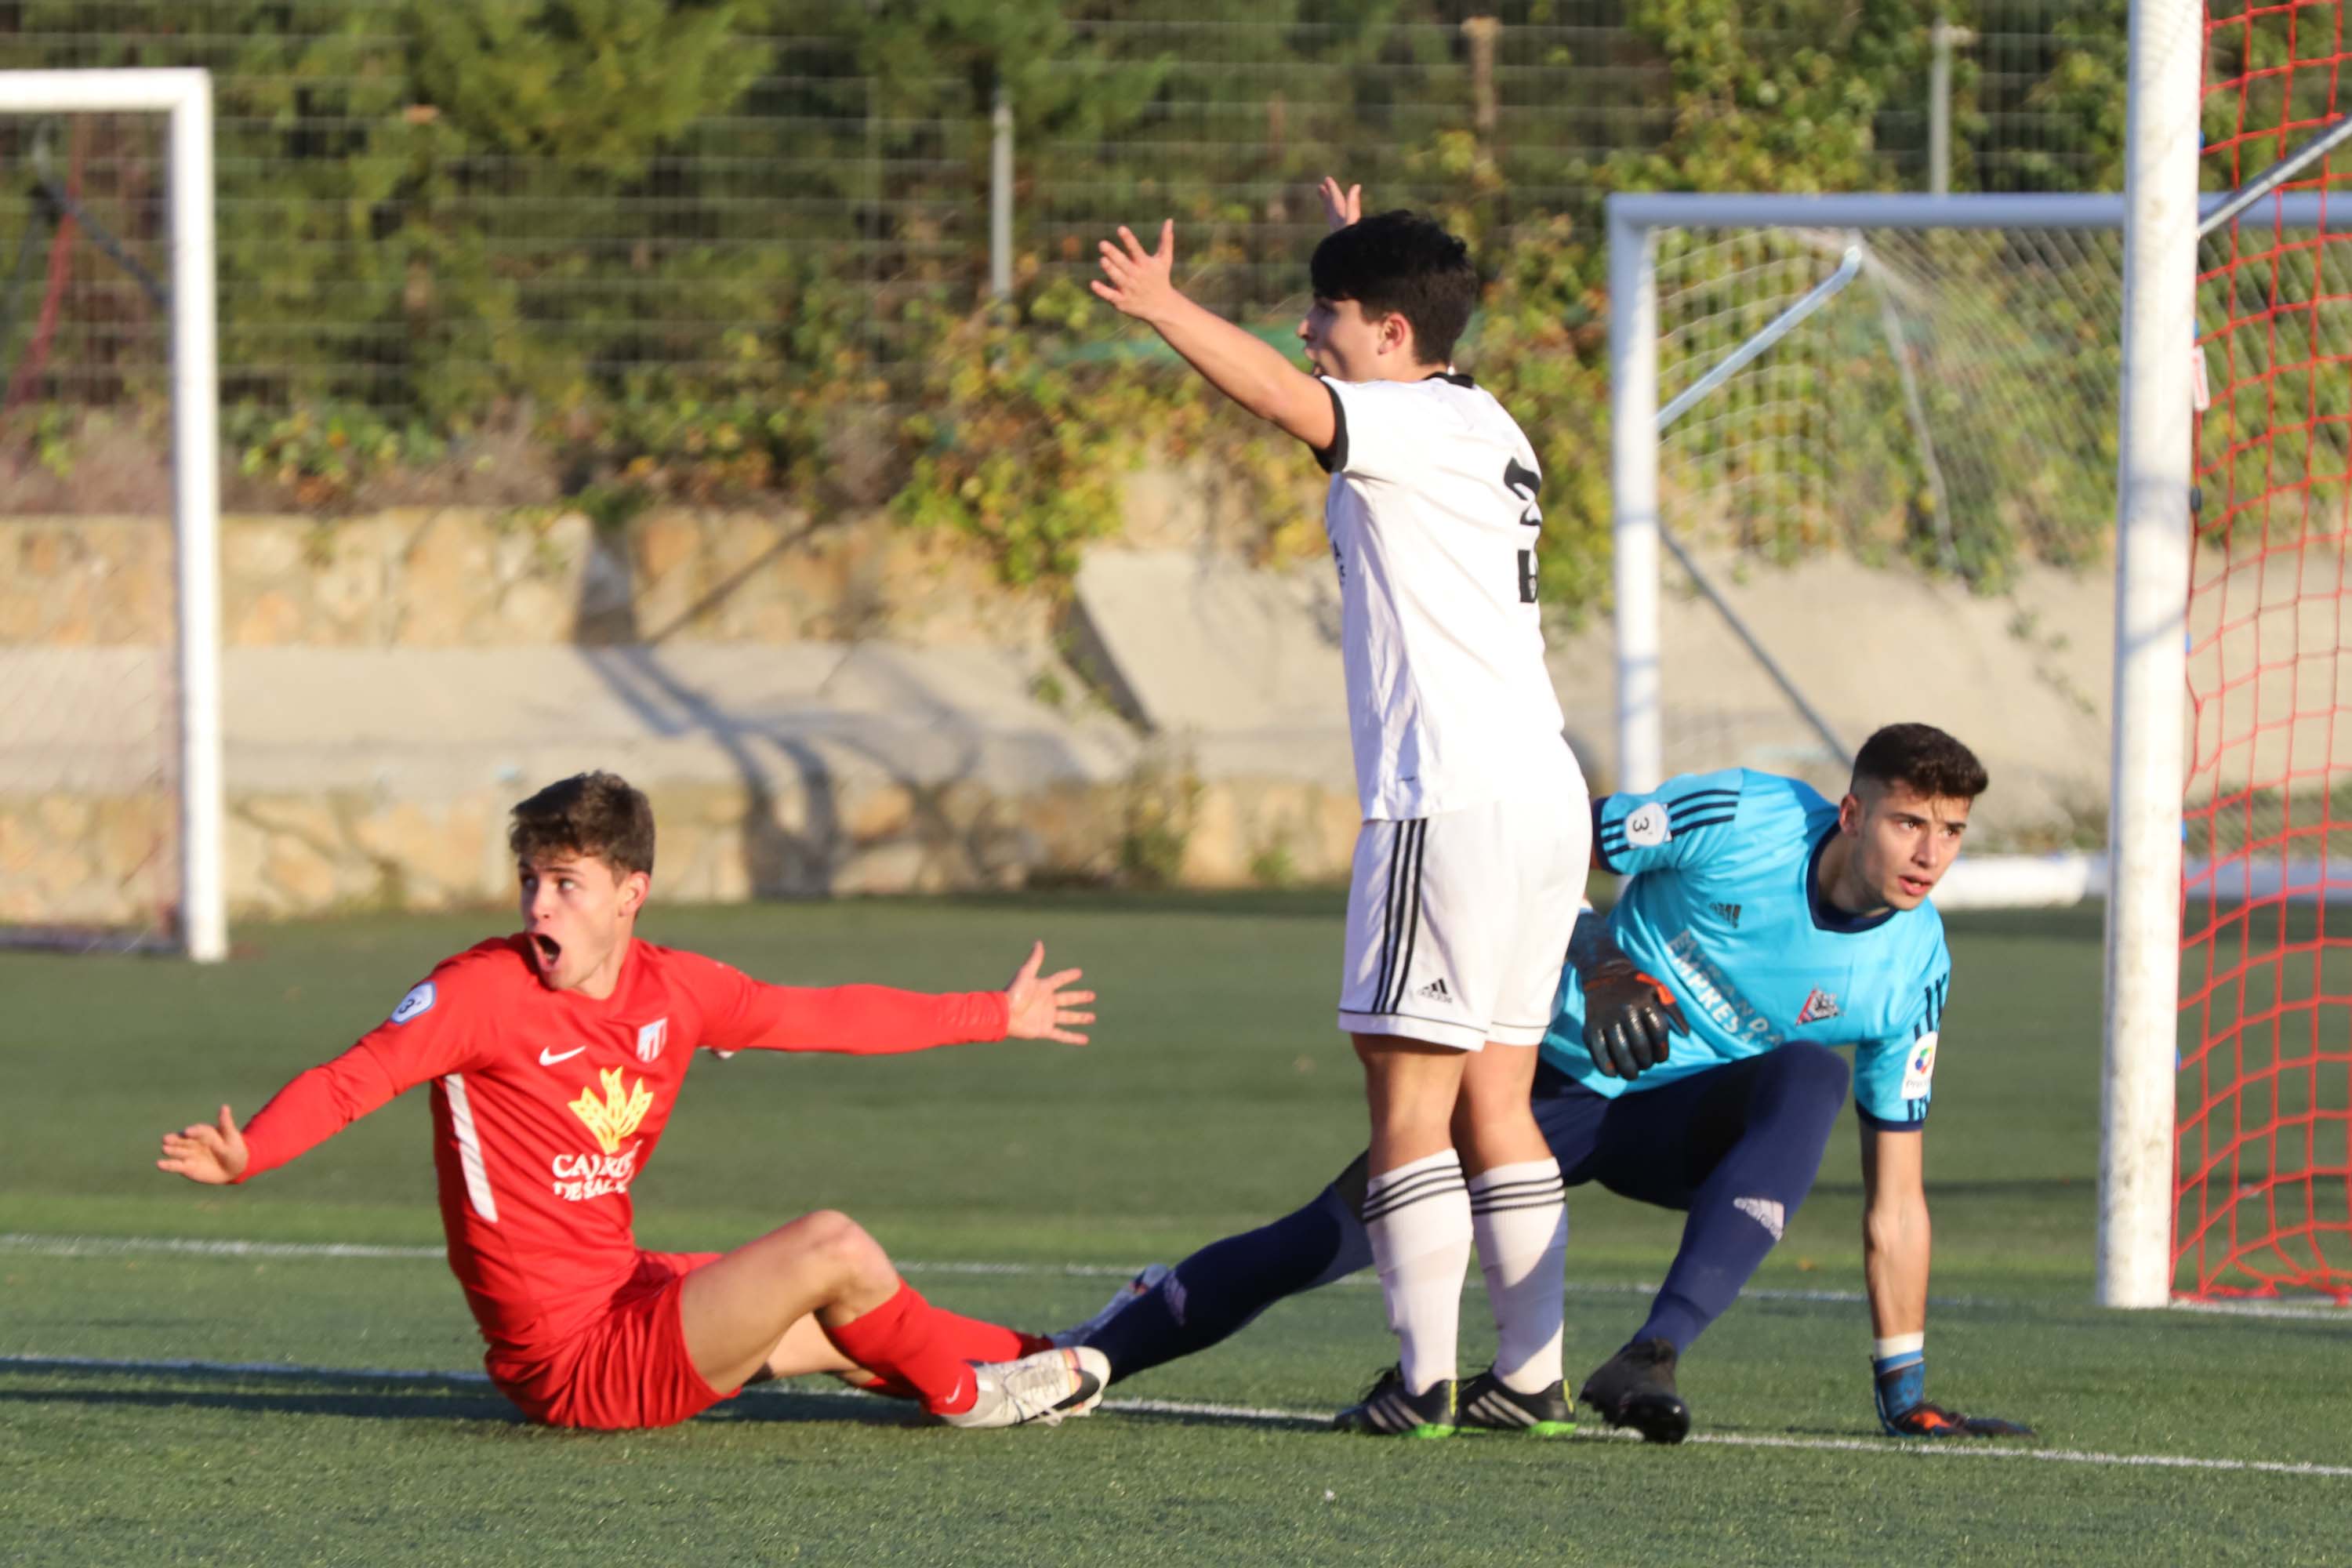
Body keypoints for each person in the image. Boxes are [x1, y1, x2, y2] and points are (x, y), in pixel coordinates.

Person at [1059, 724, 2032, 1443]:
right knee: (1319, 1239)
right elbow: (1539, 845)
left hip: (1669, 1127)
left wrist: (1906, 1392)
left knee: (1808, 1075)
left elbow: (1897, 1198)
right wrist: (1599, 955)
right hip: (1532, 1084)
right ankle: (1083, 1354)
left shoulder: (1916, 969)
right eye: (1909, 822)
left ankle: (1651, 1353)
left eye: (1951, 830)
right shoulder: (1746, 815)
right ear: (1853, 812)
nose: (1931, 854)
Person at [158, 771, 1108, 1432]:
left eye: (566, 883)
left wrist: (995, 1012)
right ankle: (972, 1399)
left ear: (629, 892)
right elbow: (350, 1078)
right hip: (571, 1363)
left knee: (845, 1321)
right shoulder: (479, 993)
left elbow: (820, 1013)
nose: (539, 905)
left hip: (625, 1294)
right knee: (832, 1247)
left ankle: (1048, 1355)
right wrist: (254, 1152)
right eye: (531, 880)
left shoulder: (674, 988)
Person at [1093, 180, 1590, 1438]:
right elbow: (1344, 372)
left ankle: (1423, 1382)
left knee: (1407, 1100)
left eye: (1328, 311)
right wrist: (1365, 246)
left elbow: (1279, 397)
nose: (1309, 330)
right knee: (1498, 1098)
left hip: (1450, 802)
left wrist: (1164, 307)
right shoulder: (1482, 417)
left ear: (1392, 331)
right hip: (1540, 799)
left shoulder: (1407, 422)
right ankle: (1531, 1375)